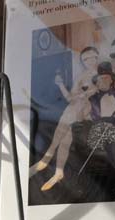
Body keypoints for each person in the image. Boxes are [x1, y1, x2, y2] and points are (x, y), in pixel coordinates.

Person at [31, 46, 102, 191]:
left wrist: (85, 94)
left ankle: (45, 161)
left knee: (61, 135)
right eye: (85, 59)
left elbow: (95, 92)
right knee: (64, 141)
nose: (89, 61)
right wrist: (61, 85)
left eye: (92, 57)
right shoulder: (81, 76)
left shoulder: (104, 73)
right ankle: (58, 172)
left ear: (97, 57)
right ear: (82, 61)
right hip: (74, 109)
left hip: (88, 111)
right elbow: (71, 98)